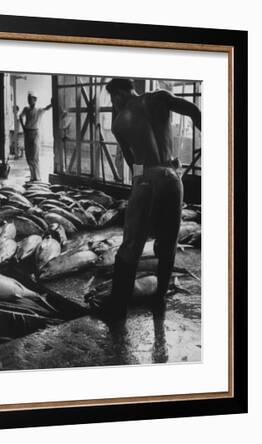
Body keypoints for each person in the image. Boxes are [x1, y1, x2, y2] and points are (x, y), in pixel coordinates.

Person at [103, 78, 201, 319]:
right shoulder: (159, 97)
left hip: (146, 177)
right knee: (168, 243)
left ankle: (118, 307)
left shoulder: (118, 123)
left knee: (131, 245)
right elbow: (193, 110)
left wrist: (139, 184)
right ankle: (159, 299)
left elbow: (132, 160)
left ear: (116, 95)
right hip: (172, 177)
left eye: (113, 99)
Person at [19, 91, 53, 181]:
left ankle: (37, 178)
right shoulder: (26, 109)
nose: (29, 101)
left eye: (30, 99)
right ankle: (32, 176)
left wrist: (52, 103)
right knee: (28, 156)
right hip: (27, 133)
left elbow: (47, 108)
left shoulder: (38, 110)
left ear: (35, 100)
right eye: (28, 99)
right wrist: (23, 128)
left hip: (35, 133)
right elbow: (20, 117)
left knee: (35, 155)